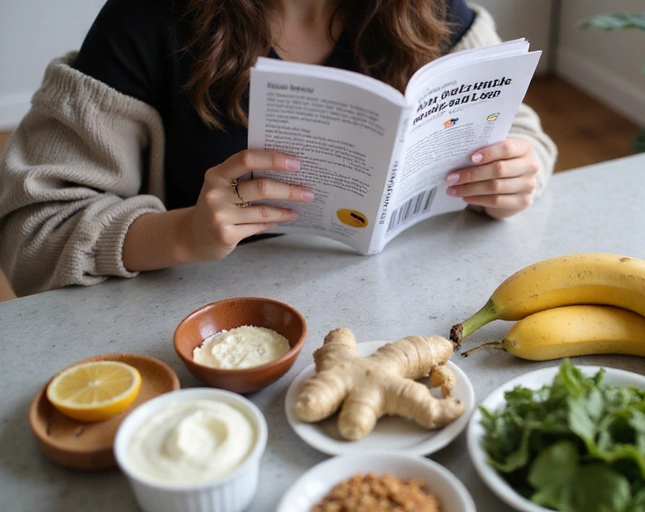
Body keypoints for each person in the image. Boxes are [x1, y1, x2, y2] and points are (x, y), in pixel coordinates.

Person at [0, 0, 557, 297]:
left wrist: (516, 171)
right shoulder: (144, 21)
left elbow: (522, 132)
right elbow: (32, 234)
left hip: (402, 300)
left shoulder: (430, 11)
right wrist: (183, 231)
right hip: (200, 329)